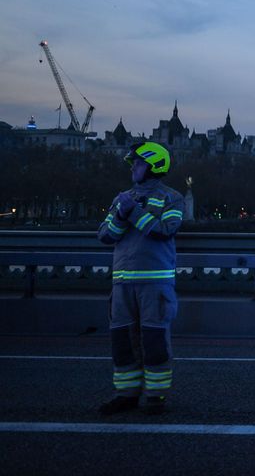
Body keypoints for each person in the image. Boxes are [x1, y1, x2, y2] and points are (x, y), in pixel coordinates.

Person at [96, 142, 185, 416]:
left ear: (154, 165)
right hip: (122, 282)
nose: (132, 167)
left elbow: (164, 231)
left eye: (137, 163)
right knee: (122, 343)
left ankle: (155, 396)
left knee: (154, 342)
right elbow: (105, 235)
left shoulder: (172, 198)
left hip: (155, 283)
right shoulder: (122, 197)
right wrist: (121, 214)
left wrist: (132, 212)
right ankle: (126, 394)